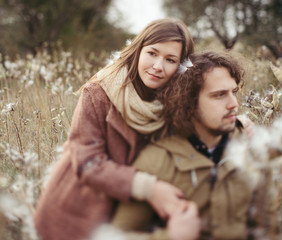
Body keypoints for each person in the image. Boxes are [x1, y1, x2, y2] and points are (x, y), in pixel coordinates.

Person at [34, 18, 196, 240]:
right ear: (138, 50)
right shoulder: (99, 93)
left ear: (180, 66)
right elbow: (87, 162)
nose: (158, 66)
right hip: (80, 207)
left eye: (170, 59)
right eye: (152, 53)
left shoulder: (175, 100)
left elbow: (208, 112)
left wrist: (237, 124)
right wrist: (148, 188)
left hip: (130, 215)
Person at [111, 51, 279, 240]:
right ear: (188, 103)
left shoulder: (251, 147)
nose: (234, 104)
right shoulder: (155, 162)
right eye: (219, 95)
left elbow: (269, 227)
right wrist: (170, 237)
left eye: (233, 92)